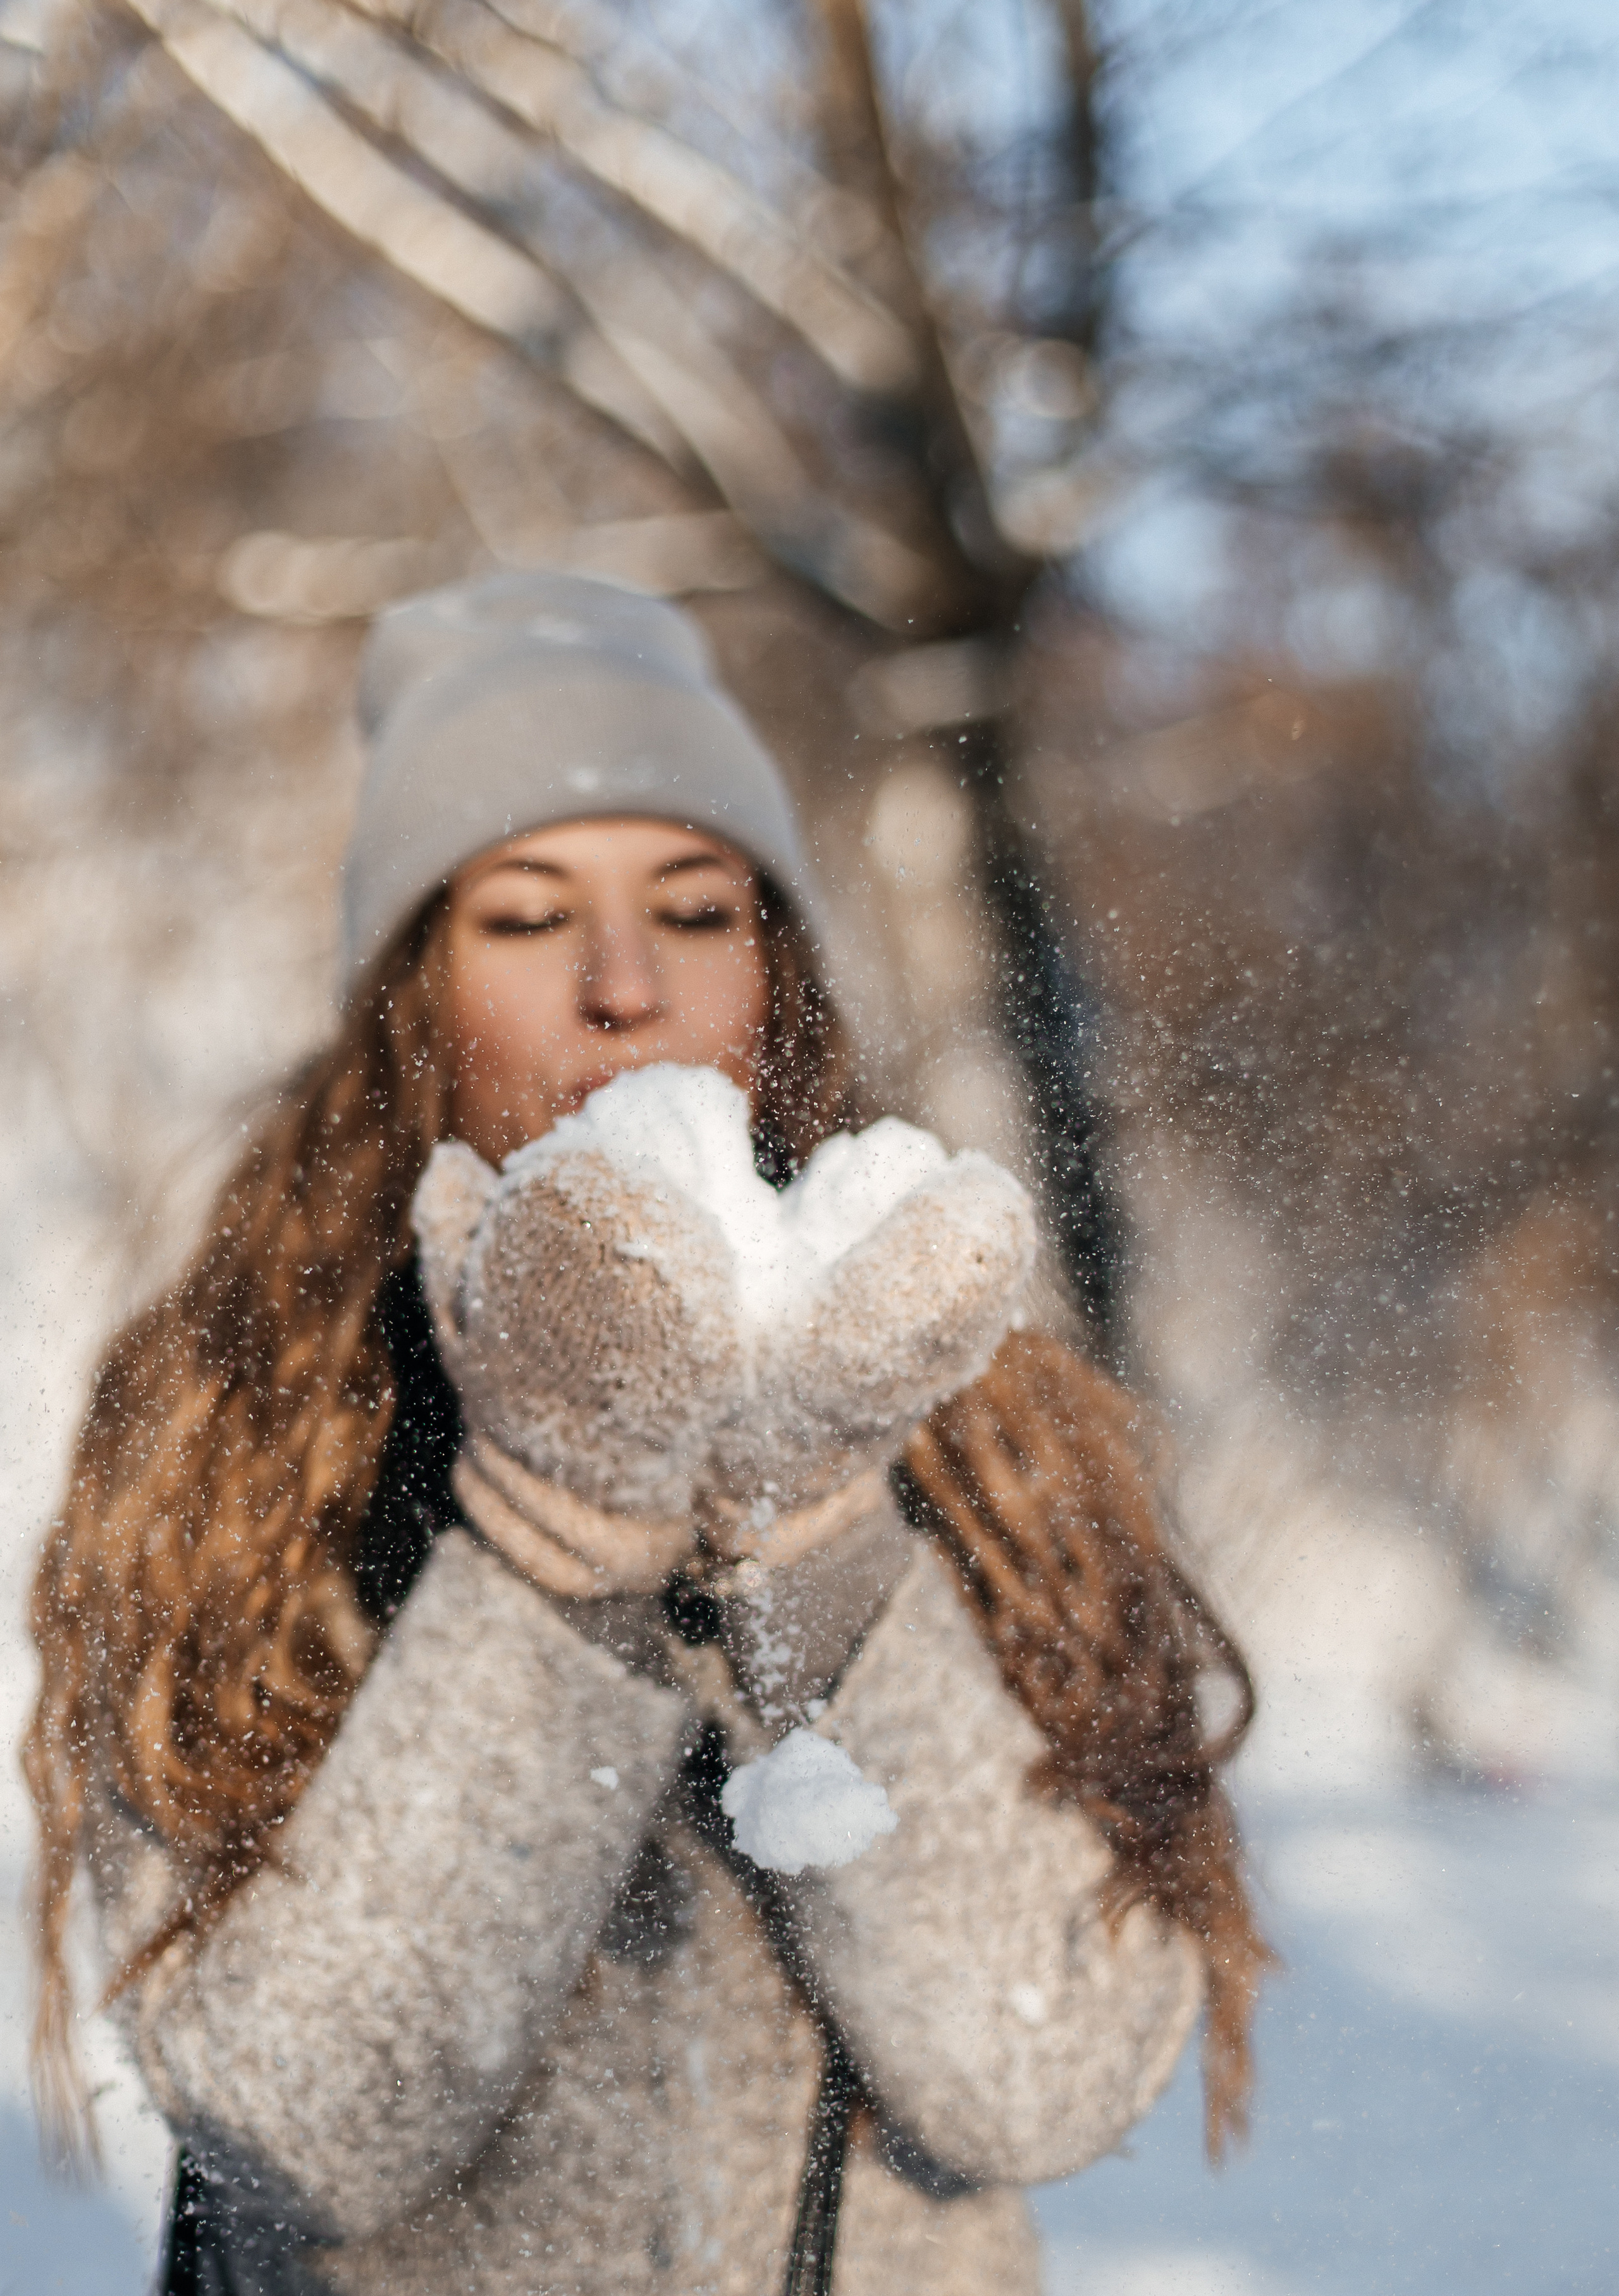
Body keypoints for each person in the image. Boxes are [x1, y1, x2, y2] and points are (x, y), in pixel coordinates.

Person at [26, 573, 1270, 2296]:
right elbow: (299, 2125)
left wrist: (817, 1520)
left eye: (697, 909)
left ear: (778, 969)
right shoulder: (244, 1433)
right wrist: (558, 1526)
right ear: (411, 995)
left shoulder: (968, 1409)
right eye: (527, 919)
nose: (625, 985)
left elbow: (1036, 2079)